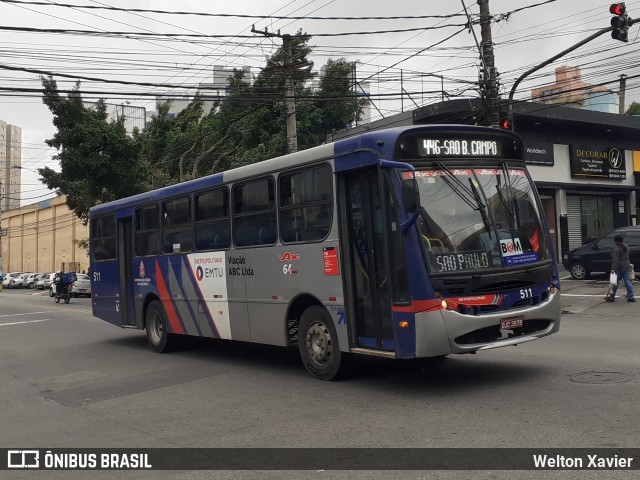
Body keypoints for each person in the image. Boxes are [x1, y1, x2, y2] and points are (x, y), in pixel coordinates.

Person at [606, 234, 635, 302]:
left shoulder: (616, 248)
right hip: (627, 264)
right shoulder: (626, 246)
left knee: (615, 282)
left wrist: (613, 268)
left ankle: (612, 296)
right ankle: (631, 296)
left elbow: (616, 260)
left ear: (615, 240)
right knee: (627, 281)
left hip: (619, 266)